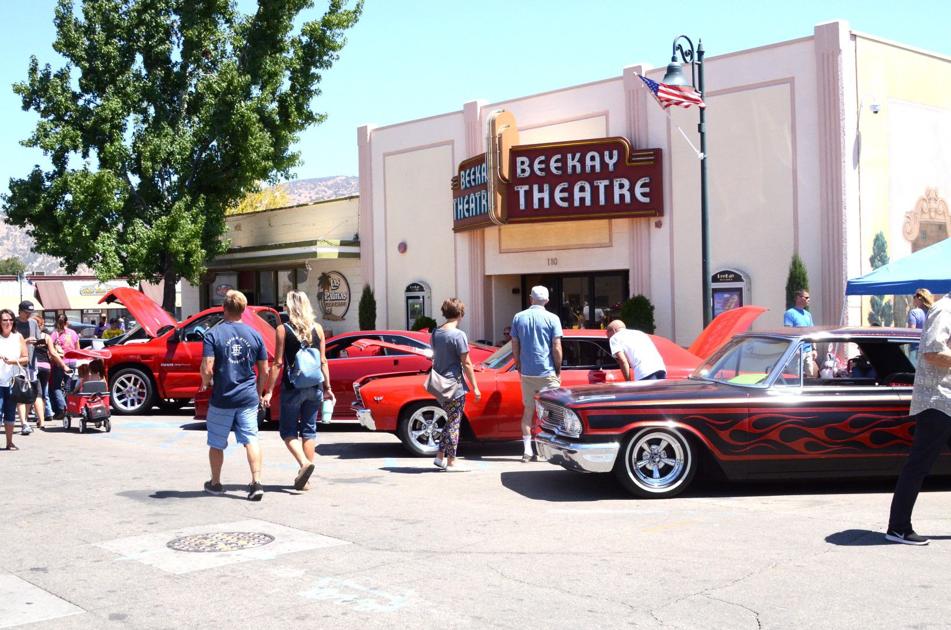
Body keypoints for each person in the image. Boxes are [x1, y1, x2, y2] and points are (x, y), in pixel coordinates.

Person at [886, 292, 951, 545]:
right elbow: (932, 351)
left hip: (947, 401)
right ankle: (898, 528)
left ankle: (898, 526)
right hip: (938, 401)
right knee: (918, 465)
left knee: (918, 465)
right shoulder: (944, 310)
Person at [200, 290, 268, 501]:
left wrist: (205, 381)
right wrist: (259, 392)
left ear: (224, 308)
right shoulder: (255, 334)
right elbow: (264, 370)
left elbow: (208, 367)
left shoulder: (213, 334)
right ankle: (256, 482)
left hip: (223, 397)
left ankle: (216, 483)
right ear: (244, 309)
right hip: (247, 397)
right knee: (251, 439)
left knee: (216, 442)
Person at [262, 291, 333, 492]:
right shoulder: (318, 329)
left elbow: (277, 363)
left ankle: (304, 464)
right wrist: (327, 388)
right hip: (314, 386)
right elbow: (323, 361)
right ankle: (306, 480)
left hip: (293, 387)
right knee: (309, 431)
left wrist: (268, 391)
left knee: (287, 431)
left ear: (289, 307)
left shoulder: (282, 330)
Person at [511, 286, 563, 462]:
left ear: (530, 298)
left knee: (528, 412)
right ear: (547, 301)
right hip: (547, 371)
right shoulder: (553, 318)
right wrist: (558, 368)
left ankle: (527, 451)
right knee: (553, 413)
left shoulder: (519, 317)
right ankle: (548, 449)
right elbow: (556, 347)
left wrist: (518, 363)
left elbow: (515, 343)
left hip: (527, 372)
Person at [431, 298, 481, 471]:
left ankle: (439, 456)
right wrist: (475, 387)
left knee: (450, 420)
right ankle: (451, 461)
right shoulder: (458, 335)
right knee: (454, 422)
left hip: (438, 384)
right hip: (454, 384)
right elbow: (466, 363)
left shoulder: (436, 332)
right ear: (460, 313)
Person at [0, 309, 29, 450]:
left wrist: (12, 361)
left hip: (13, 382)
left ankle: (9, 442)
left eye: (11, 319)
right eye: (5, 320)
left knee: (11, 412)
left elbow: (26, 358)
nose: (8, 322)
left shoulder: (18, 337)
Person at [14, 301, 41, 435]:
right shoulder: (13, 323)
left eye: (30, 313)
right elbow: (11, 344)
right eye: (26, 312)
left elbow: (38, 339)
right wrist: (25, 341)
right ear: (20, 311)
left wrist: (37, 342)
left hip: (31, 360)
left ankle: (24, 419)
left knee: (30, 392)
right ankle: (23, 422)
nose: (28, 315)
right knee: (20, 391)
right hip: (17, 362)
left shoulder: (33, 323)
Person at [50, 314, 79, 419]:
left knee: (56, 386)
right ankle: (70, 409)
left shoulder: (54, 334)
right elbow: (77, 349)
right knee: (68, 387)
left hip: (60, 362)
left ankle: (63, 408)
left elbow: (51, 350)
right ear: (67, 322)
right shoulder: (73, 333)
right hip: (72, 362)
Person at [784, 289, 817, 376]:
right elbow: (789, 332)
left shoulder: (808, 314)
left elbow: (812, 332)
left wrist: (814, 349)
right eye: (806, 297)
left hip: (808, 350)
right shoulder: (790, 313)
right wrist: (795, 348)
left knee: (811, 376)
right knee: (796, 376)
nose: (808, 300)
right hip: (797, 351)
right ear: (798, 298)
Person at [32, 314, 53, 428]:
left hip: (35, 366)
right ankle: (42, 417)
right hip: (46, 367)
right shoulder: (46, 336)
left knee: (37, 394)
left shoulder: (30, 337)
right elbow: (52, 353)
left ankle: (41, 420)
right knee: (43, 393)